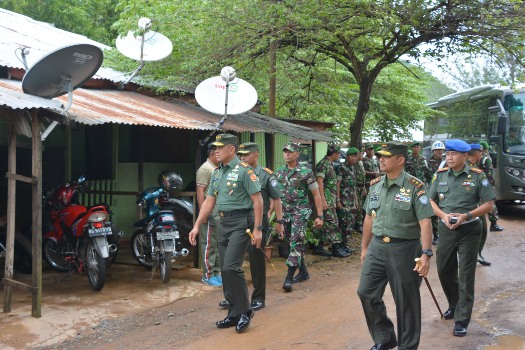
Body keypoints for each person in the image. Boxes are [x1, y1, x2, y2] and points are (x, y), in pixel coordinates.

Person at [357, 142, 434, 350]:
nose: (380, 159)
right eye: (380, 156)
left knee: (406, 301)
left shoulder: (415, 187)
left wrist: (426, 254)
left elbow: (425, 222)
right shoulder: (375, 185)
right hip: (377, 247)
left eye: (386, 156)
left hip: (405, 250)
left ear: (400, 160)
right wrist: (364, 248)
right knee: (366, 292)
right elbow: (368, 220)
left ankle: (407, 346)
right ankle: (385, 338)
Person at [188, 133, 264, 333]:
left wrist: (258, 229)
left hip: (242, 222)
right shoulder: (217, 172)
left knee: (231, 267)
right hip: (223, 222)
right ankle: (233, 313)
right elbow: (209, 201)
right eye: (215, 148)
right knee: (224, 269)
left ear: (232, 150)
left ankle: (245, 310)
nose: (216, 151)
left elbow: (258, 201)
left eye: (220, 148)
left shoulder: (244, 171)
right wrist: (197, 225)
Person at [428, 139, 495, 337]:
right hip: (446, 229)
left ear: (465, 156)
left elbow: (489, 204)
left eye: (453, 154)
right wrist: (443, 216)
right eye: (447, 154)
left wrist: (467, 216)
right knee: (443, 269)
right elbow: (430, 200)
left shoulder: (477, 176)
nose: (448, 157)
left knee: (466, 275)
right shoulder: (439, 175)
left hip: (469, 230)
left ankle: (462, 318)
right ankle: (454, 304)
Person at [216, 142, 284, 311]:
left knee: (256, 260)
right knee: (230, 262)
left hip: (257, 223)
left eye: (246, 155)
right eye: (241, 155)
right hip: (238, 222)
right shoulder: (234, 172)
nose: (243, 158)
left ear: (256, 155)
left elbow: (276, 199)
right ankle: (231, 297)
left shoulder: (266, 175)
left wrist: (279, 222)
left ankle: (258, 297)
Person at [275, 142, 324, 292]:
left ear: (297, 154)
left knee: (296, 242)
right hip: (285, 213)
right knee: (291, 243)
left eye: (290, 152)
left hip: (300, 212)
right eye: (285, 152)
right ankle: (303, 272)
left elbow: (316, 194)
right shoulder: (280, 173)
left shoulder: (306, 172)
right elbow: (275, 197)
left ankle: (289, 278)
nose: (287, 154)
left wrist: (320, 216)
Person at [313, 145, 350, 258]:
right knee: (332, 222)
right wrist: (323, 200)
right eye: (338, 153)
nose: (339, 156)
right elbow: (319, 182)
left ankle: (318, 246)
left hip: (330, 199)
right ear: (334, 153)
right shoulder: (324, 164)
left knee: (324, 223)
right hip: (326, 199)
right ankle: (335, 248)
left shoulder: (329, 164)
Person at [195, 143, 222, 287]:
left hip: (217, 213)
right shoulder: (205, 169)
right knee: (208, 245)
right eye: (218, 152)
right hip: (209, 213)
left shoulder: (217, 168)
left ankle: (217, 272)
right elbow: (200, 192)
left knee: (216, 245)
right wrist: (202, 213)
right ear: (212, 154)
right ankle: (207, 275)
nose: (220, 155)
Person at [336, 147, 359, 252]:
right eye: (351, 156)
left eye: (355, 156)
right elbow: (338, 184)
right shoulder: (342, 167)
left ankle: (345, 244)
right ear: (347, 156)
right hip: (343, 200)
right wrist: (338, 200)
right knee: (343, 223)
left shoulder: (352, 168)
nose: (353, 158)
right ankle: (339, 245)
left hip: (351, 201)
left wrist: (356, 200)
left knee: (350, 223)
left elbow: (353, 186)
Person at [479, 141, 503, 233]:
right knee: (491, 204)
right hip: (487, 184)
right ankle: (494, 225)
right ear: (486, 149)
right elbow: (490, 174)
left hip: (480, 184)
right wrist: (492, 186)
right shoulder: (486, 159)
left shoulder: (478, 158)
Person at [427, 141, 446, 245]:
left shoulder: (447, 162)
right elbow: (425, 176)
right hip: (433, 190)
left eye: (441, 150)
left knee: (445, 211)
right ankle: (436, 235)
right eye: (437, 150)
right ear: (433, 151)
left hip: (445, 190)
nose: (439, 152)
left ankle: (445, 234)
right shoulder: (428, 162)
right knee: (434, 213)